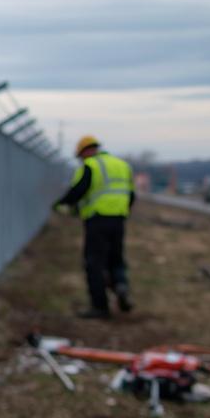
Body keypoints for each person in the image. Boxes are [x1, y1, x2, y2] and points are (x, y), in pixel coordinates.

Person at [55, 135, 135, 319]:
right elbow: (131, 195)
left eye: (81, 155)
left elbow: (79, 190)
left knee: (94, 263)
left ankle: (100, 307)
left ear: (85, 151)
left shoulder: (91, 166)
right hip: (119, 219)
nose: (81, 159)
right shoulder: (122, 165)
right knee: (116, 258)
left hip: (97, 220)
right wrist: (122, 210)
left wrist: (62, 204)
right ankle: (121, 285)